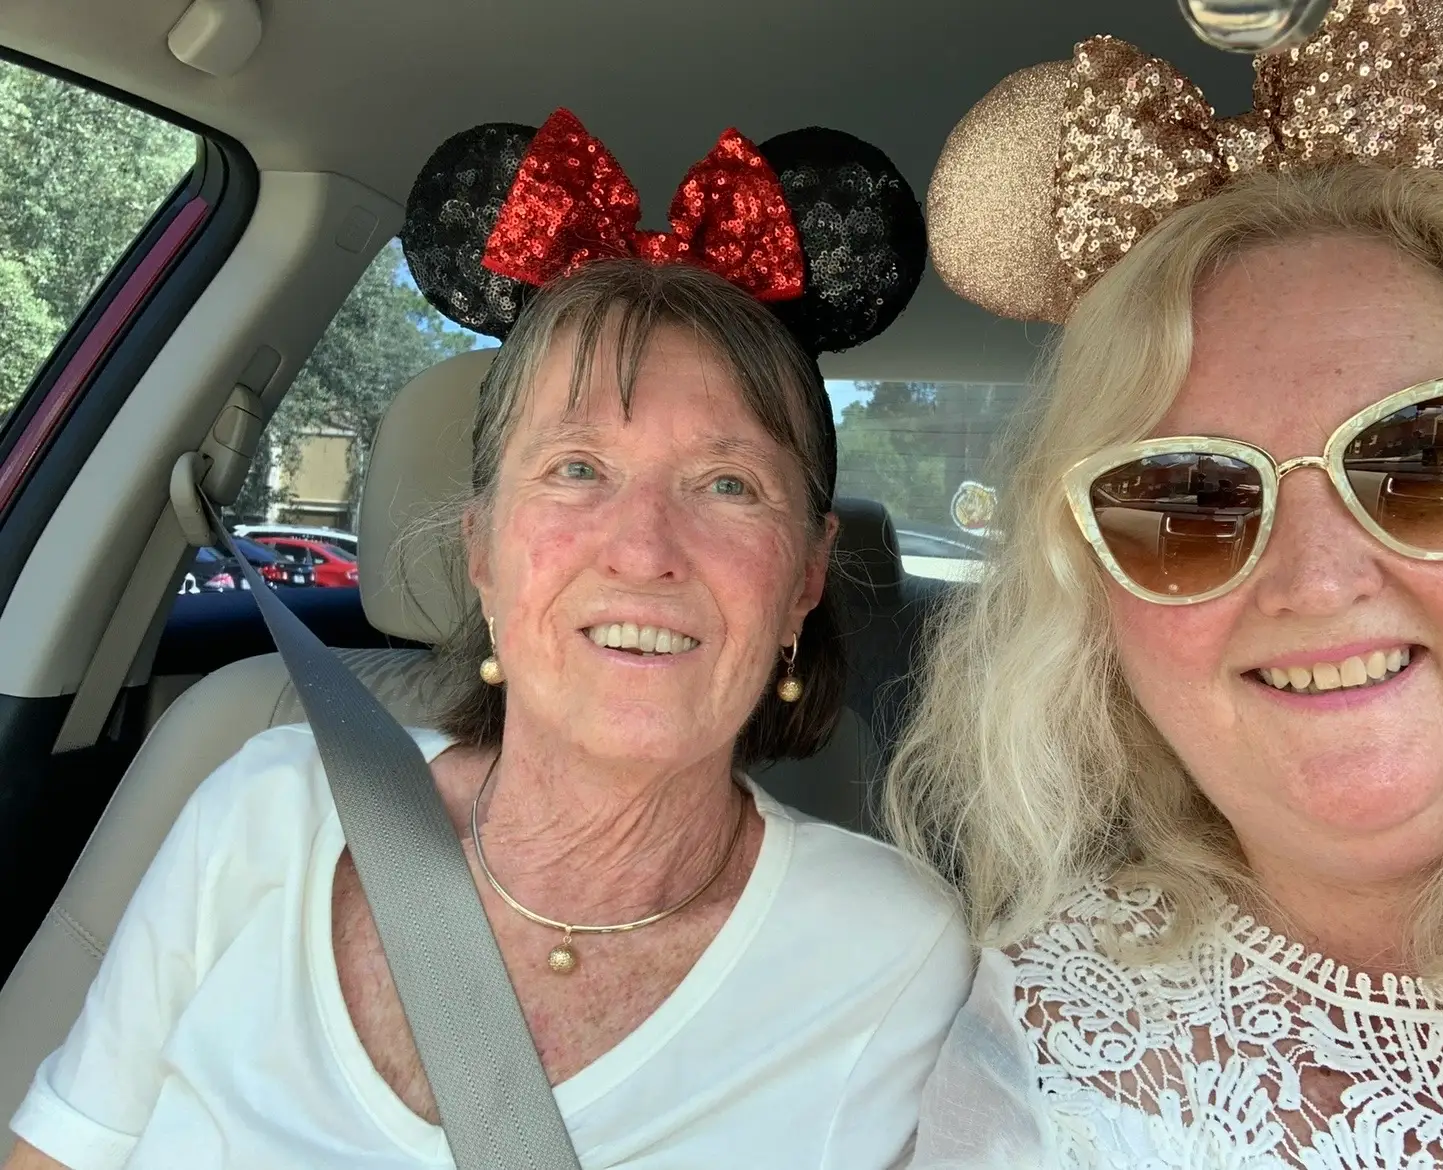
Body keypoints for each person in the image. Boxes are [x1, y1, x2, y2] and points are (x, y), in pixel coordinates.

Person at [5, 111, 971, 1169]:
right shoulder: (267, 804)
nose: (643, 549)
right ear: (482, 550)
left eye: (728, 484)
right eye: (576, 469)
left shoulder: (896, 955)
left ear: (804, 582)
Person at [889, 2, 1443, 1164]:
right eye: (1185, 504)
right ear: (1090, 605)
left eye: (1433, 456)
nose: (1316, 578)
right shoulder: (1052, 1072)